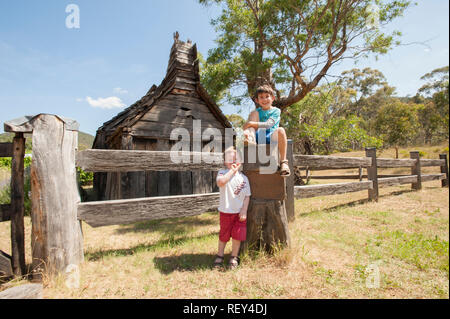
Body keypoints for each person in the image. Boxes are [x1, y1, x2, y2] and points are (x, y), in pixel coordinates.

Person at [213, 146, 251, 269]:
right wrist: (232, 172)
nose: (233, 162)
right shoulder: (222, 173)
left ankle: (234, 257)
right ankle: (220, 255)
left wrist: (244, 210)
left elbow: (247, 196)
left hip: (239, 213)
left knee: (237, 236)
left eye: (236, 159)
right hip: (225, 212)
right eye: (230, 159)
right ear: (225, 162)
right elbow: (221, 182)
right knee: (223, 235)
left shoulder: (244, 179)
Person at [242, 85, 291, 176]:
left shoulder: (276, 111)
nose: (264, 99)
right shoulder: (256, 112)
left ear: (272, 98)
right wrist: (247, 129)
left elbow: (269, 125)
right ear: (257, 100)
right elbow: (247, 126)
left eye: (267, 96)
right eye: (261, 97)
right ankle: (250, 139)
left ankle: (284, 162)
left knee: (281, 130)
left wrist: (251, 123)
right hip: (258, 136)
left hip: (271, 135)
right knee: (253, 115)